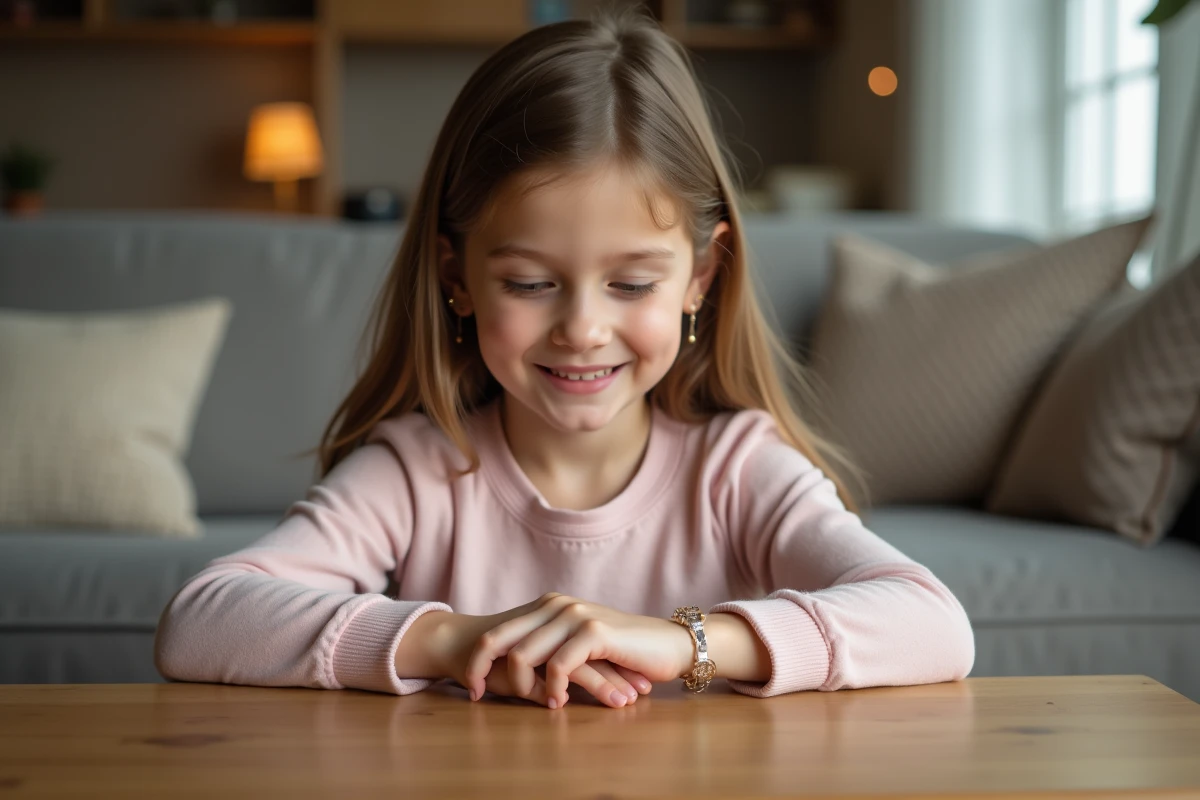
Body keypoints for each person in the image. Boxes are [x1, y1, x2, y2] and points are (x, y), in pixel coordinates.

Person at [155, 8, 974, 711]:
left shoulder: (738, 469)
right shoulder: (416, 471)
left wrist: (678, 641)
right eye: (531, 282)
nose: (582, 328)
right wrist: (456, 641)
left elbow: (933, 621)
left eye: (630, 282)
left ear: (700, 278)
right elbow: (203, 618)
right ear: (458, 279)